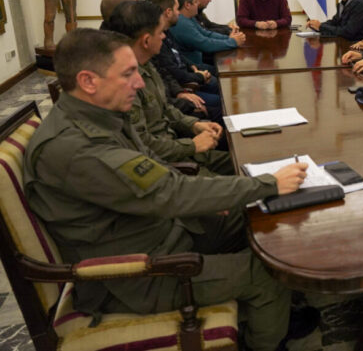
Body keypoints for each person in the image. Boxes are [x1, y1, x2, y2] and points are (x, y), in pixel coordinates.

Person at [23, 28, 313, 351]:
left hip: (162, 231)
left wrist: (223, 194)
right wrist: (269, 183)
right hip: (138, 274)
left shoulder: (102, 115)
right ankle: (264, 339)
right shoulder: (76, 149)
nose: (141, 82)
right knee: (267, 274)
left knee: (258, 214)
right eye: (128, 73)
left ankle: (276, 315)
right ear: (88, 81)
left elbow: (159, 178)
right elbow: (170, 193)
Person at [106, 0, 232, 175]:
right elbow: (142, 144)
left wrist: (194, 125)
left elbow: (165, 109)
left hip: (179, 149)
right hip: (168, 166)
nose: (165, 36)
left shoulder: (147, 64)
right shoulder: (125, 83)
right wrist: (192, 145)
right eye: (160, 32)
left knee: (246, 160)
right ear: (146, 41)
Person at [146, 0, 222, 122]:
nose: (178, 13)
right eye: (176, 9)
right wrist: (198, 77)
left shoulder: (166, 31)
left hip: (183, 83)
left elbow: (177, 54)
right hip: (182, 89)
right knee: (222, 101)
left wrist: (191, 65)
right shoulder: (157, 39)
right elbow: (170, 72)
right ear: (168, 12)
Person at [168, 0, 246, 68]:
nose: (198, 4)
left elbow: (206, 33)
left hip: (199, 62)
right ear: (187, 5)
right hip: (192, 68)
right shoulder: (182, 23)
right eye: (196, 1)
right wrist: (233, 42)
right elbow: (205, 44)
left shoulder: (189, 17)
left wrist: (229, 38)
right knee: (226, 69)